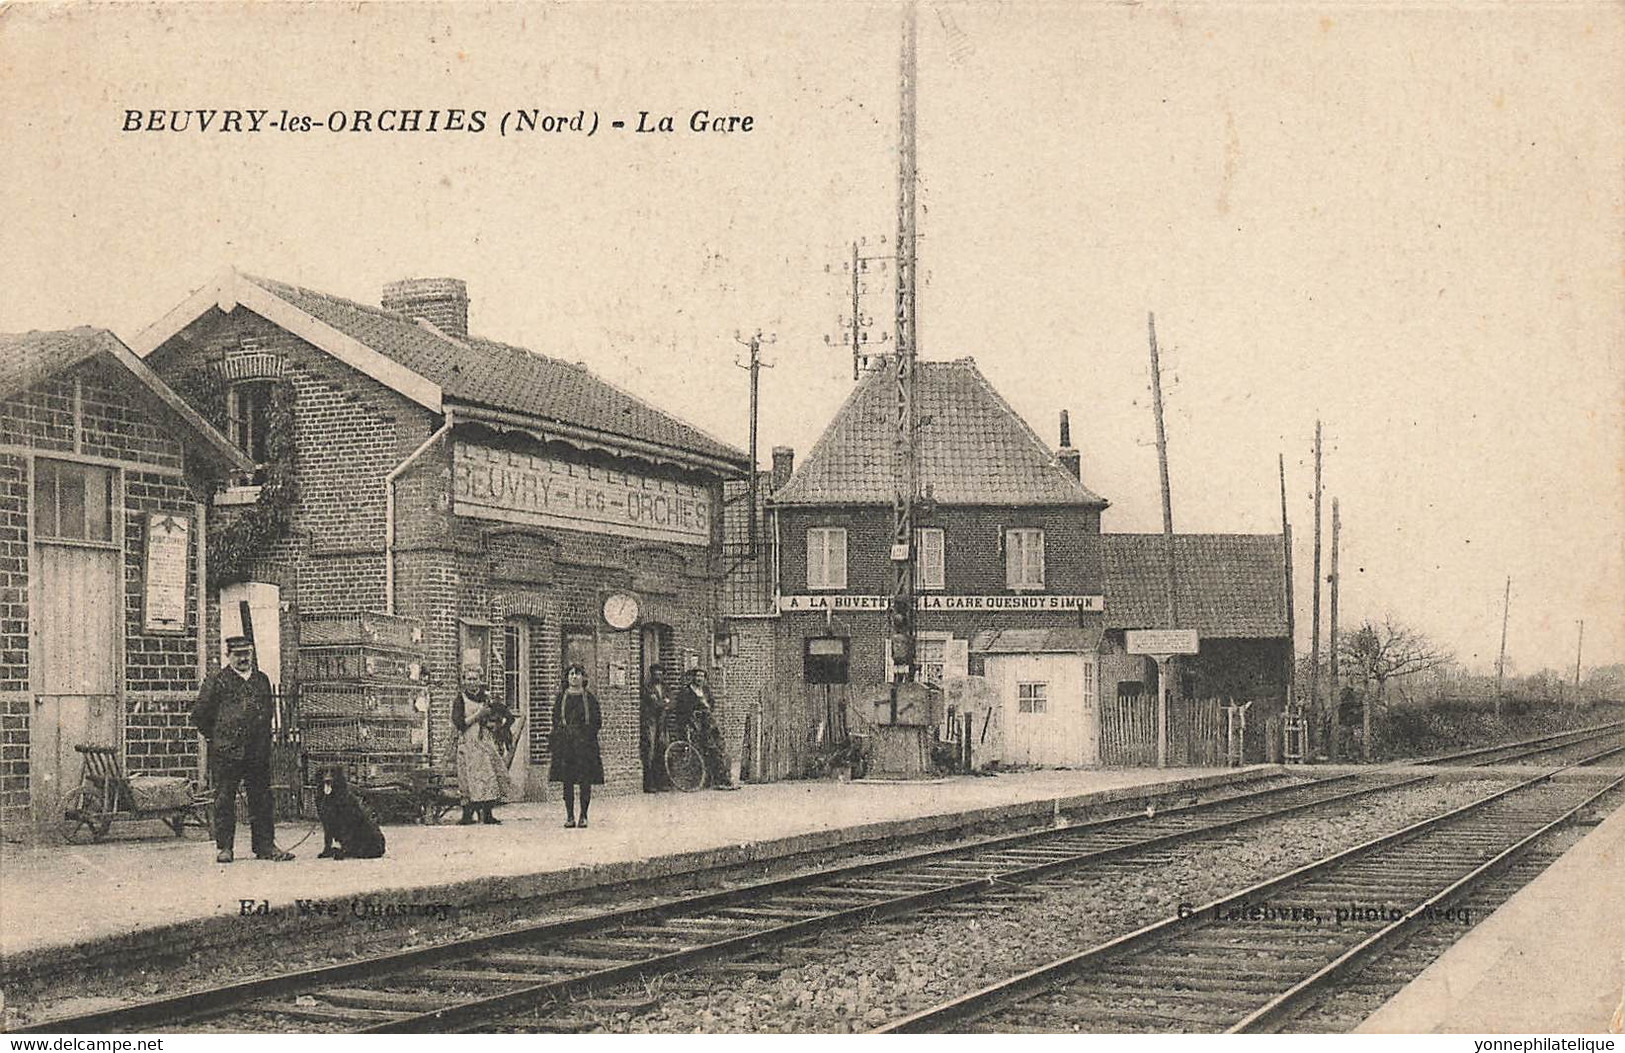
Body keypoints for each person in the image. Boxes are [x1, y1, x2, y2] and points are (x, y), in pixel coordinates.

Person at [192, 635, 294, 863]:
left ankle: (265, 846)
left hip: (257, 753)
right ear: (228, 656)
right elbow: (199, 716)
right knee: (225, 799)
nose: (243, 659)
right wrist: (218, 738)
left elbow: (268, 713)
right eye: (238, 655)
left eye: (247, 654)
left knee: (262, 798)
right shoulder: (217, 681)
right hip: (227, 753)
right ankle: (225, 847)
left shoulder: (261, 680)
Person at [452, 665, 513, 825]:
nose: (472, 683)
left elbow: (505, 714)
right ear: (464, 681)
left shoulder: (487, 698)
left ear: (480, 681)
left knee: (488, 775)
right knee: (468, 776)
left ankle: (487, 813)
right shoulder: (460, 700)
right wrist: (477, 715)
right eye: (469, 679)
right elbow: (459, 723)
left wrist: (496, 724)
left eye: (475, 679)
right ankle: (467, 814)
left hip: (484, 740)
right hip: (468, 741)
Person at [549, 664, 604, 827]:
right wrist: (563, 733)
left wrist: (586, 735)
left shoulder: (590, 699)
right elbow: (555, 719)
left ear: (583, 678)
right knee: (567, 781)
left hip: (585, 745)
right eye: (571, 674)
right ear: (567, 678)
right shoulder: (561, 698)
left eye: (578, 674)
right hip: (566, 746)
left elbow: (597, 721)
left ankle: (583, 815)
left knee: (584, 780)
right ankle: (570, 816)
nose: (574, 677)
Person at [674, 667, 737, 790]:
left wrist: (707, 714)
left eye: (702, 676)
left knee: (718, 748)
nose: (699, 679)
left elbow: (712, 704)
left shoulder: (706, 691)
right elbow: (682, 710)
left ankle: (721, 779)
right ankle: (704, 779)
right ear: (692, 677)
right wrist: (690, 721)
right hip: (695, 724)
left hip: (708, 724)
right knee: (703, 749)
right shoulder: (686, 692)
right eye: (697, 676)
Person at [639, 665, 674, 792]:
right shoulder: (647, 688)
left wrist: (665, 704)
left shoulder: (666, 688)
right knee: (650, 750)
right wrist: (663, 704)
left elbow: (671, 702)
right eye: (656, 674)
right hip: (651, 722)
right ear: (652, 675)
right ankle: (649, 783)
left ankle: (662, 782)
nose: (658, 676)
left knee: (663, 749)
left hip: (662, 722)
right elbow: (653, 703)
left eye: (660, 674)